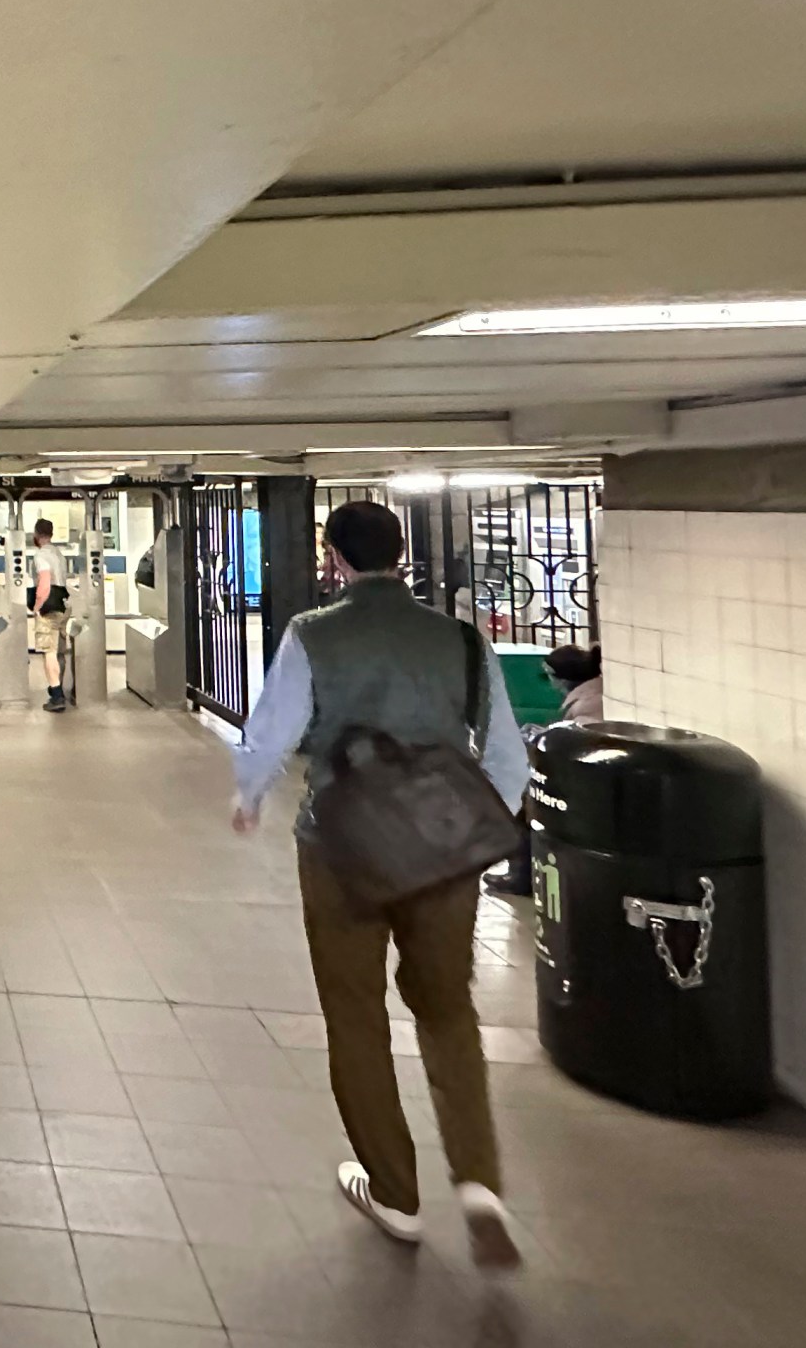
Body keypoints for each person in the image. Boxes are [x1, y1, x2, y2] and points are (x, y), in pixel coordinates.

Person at [229, 500, 527, 1269]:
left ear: (333, 559)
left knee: (355, 1012)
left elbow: (274, 729)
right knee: (448, 1008)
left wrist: (249, 795)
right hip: (443, 849)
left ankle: (394, 1190)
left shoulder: (314, 633)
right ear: (401, 554)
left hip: (344, 848)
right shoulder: (459, 639)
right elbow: (506, 757)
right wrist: (473, 830)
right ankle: (480, 1181)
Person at [484, 643, 604, 897]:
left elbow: (580, 746)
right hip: (589, 780)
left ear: (558, 677)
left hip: (585, 785)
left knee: (520, 802)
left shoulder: (586, 706)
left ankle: (521, 875)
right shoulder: (593, 693)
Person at [28, 519, 71, 712]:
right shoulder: (59, 554)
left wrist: (37, 606)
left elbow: (44, 583)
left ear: (36, 535)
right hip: (64, 604)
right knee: (59, 650)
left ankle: (56, 694)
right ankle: (59, 685)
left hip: (49, 606)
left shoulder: (41, 555)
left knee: (49, 651)